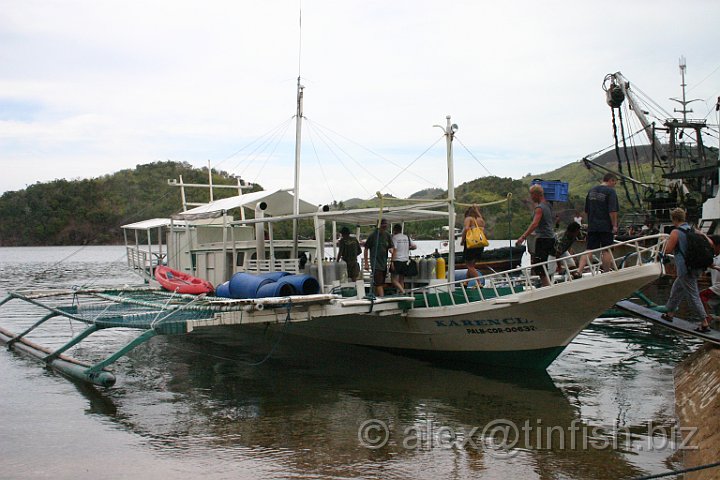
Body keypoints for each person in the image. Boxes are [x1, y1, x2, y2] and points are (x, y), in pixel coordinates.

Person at [661, 208, 713, 332]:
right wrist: (703, 235)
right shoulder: (694, 230)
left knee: (693, 295)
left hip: (685, 269)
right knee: (676, 289)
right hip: (696, 266)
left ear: (674, 219)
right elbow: (711, 243)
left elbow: (667, 250)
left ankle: (704, 323)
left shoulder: (676, 232)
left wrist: (664, 241)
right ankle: (670, 314)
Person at [577, 173, 619, 274]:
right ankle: (606, 272)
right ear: (611, 180)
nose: (614, 185)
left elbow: (587, 210)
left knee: (589, 249)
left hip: (592, 225)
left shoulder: (591, 191)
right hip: (605, 225)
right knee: (606, 250)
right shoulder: (610, 192)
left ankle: (579, 271)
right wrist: (614, 225)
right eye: (615, 183)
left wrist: (590, 222)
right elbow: (612, 211)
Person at [516, 184, 555, 287]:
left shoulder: (540, 208)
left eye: (531, 195)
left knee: (539, 264)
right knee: (543, 262)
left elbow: (535, 224)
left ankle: (546, 285)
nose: (531, 197)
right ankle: (547, 283)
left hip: (543, 238)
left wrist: (523, 237)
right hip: (550, 237)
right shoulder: (548, 205)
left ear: (536, 194)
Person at [363, 218, 392, 297]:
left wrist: (392, 253)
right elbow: (366, 248)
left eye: (386, 225)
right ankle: (382, 299)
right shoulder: (373, 235)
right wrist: (366, 263)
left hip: (384, 263)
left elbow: (391, 247)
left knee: (380, 283)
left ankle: (376, 296)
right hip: (376, 263)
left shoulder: (387, 235)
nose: (385, 227)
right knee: (379, 283)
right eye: (383, 225)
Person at [389, 224, 417, 294]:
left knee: (393, 280)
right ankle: (401, 294)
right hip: (405, 260)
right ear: (401, 229)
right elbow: (414, 246)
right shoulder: (406, 237)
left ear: (394, 230)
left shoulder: (395, 238)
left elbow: (394, 250)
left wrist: (392, 261)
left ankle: (403, 291)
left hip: (397, 260)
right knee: (401, 279)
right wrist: (407, 248)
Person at [461, 205, 485, 280]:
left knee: (469, 265)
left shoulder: (469, 218)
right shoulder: (480, 220)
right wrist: (477, 209)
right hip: (480, 244)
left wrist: (462, 240)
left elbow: (466, 229)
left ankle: (478, 282)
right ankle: (466, 282)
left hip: (471, 243)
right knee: (472, 265)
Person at [699, 235, 720, 318]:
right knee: (716, 307)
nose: (711, 248)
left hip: (718, 286)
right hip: (716, 286)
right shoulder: (714, 258)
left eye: (712, 246)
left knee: (702, 295)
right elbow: (707, 271)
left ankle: (706, 317)